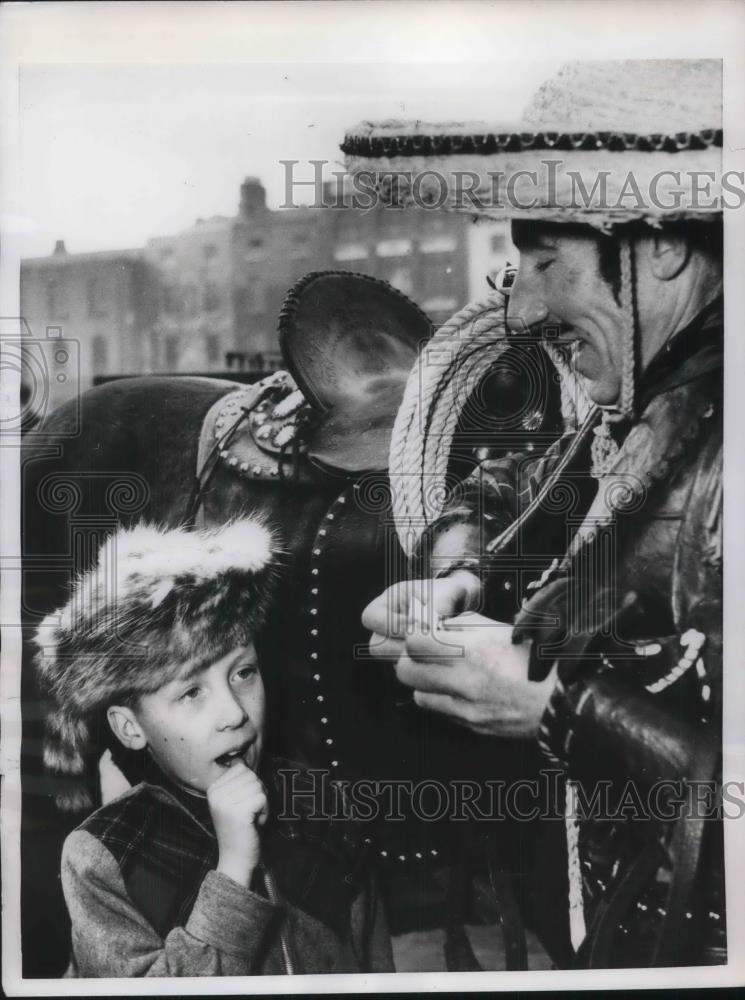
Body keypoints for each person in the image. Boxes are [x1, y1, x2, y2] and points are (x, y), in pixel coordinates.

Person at [350, 59, 725, 967]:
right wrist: (457, 572)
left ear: (661, 248)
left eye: (546, 262)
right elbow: (532, 482)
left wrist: (552, 705)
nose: (517, 310)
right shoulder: (666, 395)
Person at [33, 518, 393, 977]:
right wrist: (233, 871)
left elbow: (375, 967)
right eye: (191, 693)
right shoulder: (102, 857)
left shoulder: (324, 802)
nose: (235, 713)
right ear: (129, 727)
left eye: (243, 673)